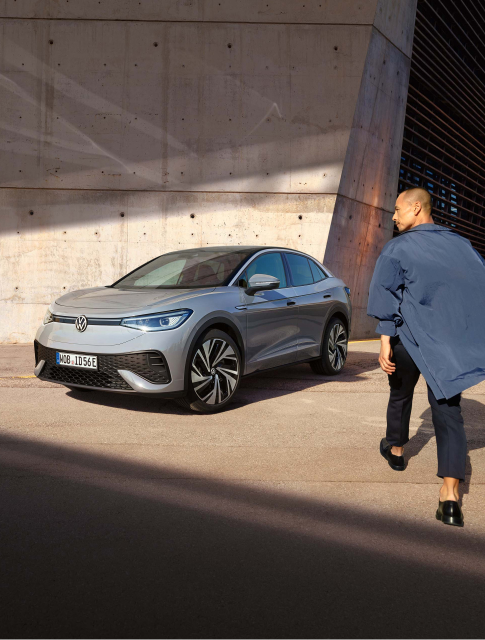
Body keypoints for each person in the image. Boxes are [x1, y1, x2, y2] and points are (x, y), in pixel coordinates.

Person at [367, 187, 485, 527]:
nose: (393, 216)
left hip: (408, 340)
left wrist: (385, 339)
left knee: (400, 394)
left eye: (398, 210)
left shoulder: (397, 248)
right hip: (448, 348)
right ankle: (450, 498)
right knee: (449, 415)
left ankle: (397, 451)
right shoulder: (463, 246)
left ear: (416, 208)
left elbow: (385, 292)